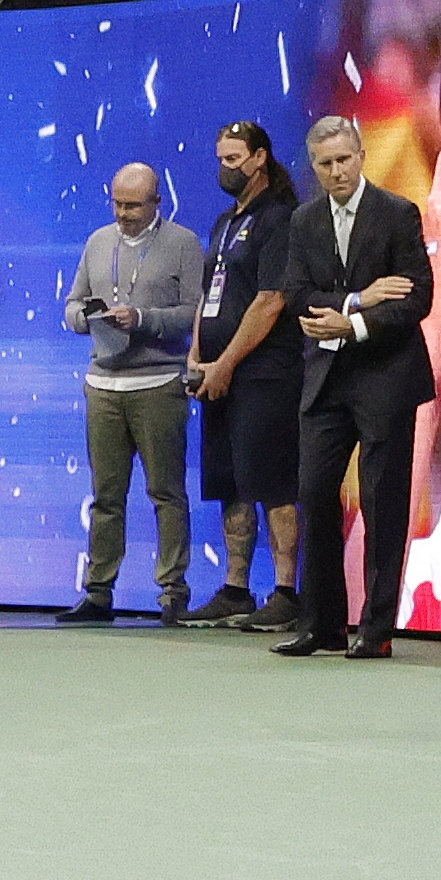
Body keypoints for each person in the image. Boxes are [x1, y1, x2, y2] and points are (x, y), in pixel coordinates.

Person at [266, 109, 432, 654]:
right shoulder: (304, 221)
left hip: (385, 375)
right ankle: (322, 625)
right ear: (312, 167)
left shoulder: (398, 213)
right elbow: (295, 293)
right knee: (314, 493)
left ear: (360, 157)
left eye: (343, 160)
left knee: (383, 503)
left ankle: (377, 631)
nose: (336, 171)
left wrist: (354, 325)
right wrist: (357, 301)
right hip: (326, 380)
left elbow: (416, 297)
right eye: (324, 164)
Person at [59, 156, 207, 621]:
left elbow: (194, 313)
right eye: (118, 204)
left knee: (166, 491)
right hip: (102, 384)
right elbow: (70, 305)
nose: (124, 213)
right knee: (106, 495)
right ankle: (99, 592)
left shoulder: (184, 244)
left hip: (159, 382)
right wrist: (88, 318)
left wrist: (141, 319)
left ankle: (172, 593)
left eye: (134, 205)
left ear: (157, 202)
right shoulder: (98, 241)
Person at [183, 114, 305, 624]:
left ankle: (284, 591)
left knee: (273, 482)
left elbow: (270, 299)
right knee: (230, 482)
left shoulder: (280, 218)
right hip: (217, 373)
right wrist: (196, 356)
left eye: (234, 160)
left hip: (265, 374)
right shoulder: (224, 221)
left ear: (260, 159)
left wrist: (227, 362)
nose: (225, 169)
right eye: (220, 161)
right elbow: (209, 296)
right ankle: (235, 588)